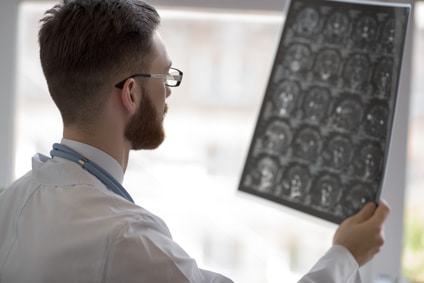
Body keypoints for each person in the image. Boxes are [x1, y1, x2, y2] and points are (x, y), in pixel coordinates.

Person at [0, 0, 390, 282]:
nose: (169, 93)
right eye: (165, 77)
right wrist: (346, 254)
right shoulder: (126, 239)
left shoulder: (11, 201)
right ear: (131, 93)